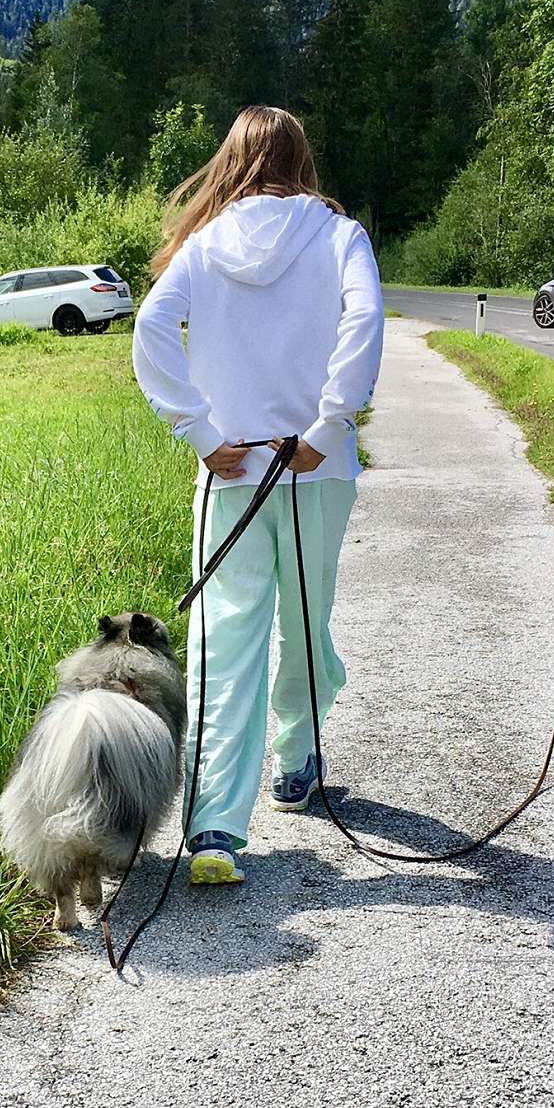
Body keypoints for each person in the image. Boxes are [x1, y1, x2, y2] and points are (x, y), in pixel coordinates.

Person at [132, 105, 385, 885]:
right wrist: (328, 422)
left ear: (232, 161)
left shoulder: (204, 247)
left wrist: (202, 433)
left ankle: (213, 827)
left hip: (231, 474)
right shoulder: (341, 236)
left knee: (225, 640)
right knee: (309, 622)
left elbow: (149, 330)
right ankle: (297, 757)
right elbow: (366, 319)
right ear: (301, 159)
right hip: (316, 467)